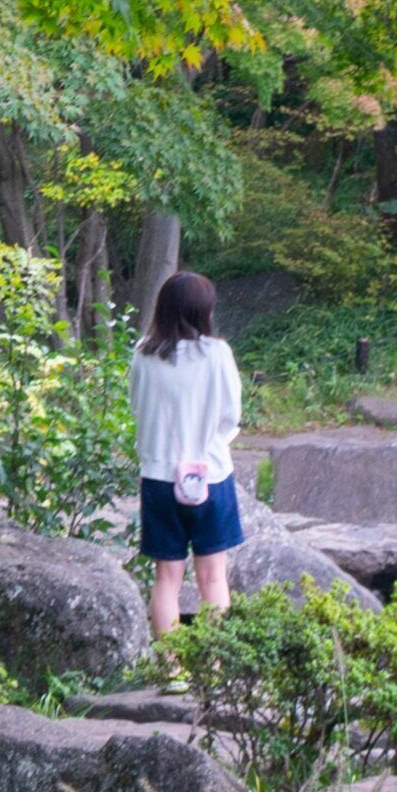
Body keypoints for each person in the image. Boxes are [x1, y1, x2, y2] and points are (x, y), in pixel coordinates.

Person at [131, 270, 244, 637]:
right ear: (203, 311)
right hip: (211, 476)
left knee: (167, 578)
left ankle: (172, 671)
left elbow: (137, 408)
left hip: (159, 478)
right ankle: (211, 669)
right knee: (213, 577)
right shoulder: (217, 354)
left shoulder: (143, 353)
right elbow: (232, 415)